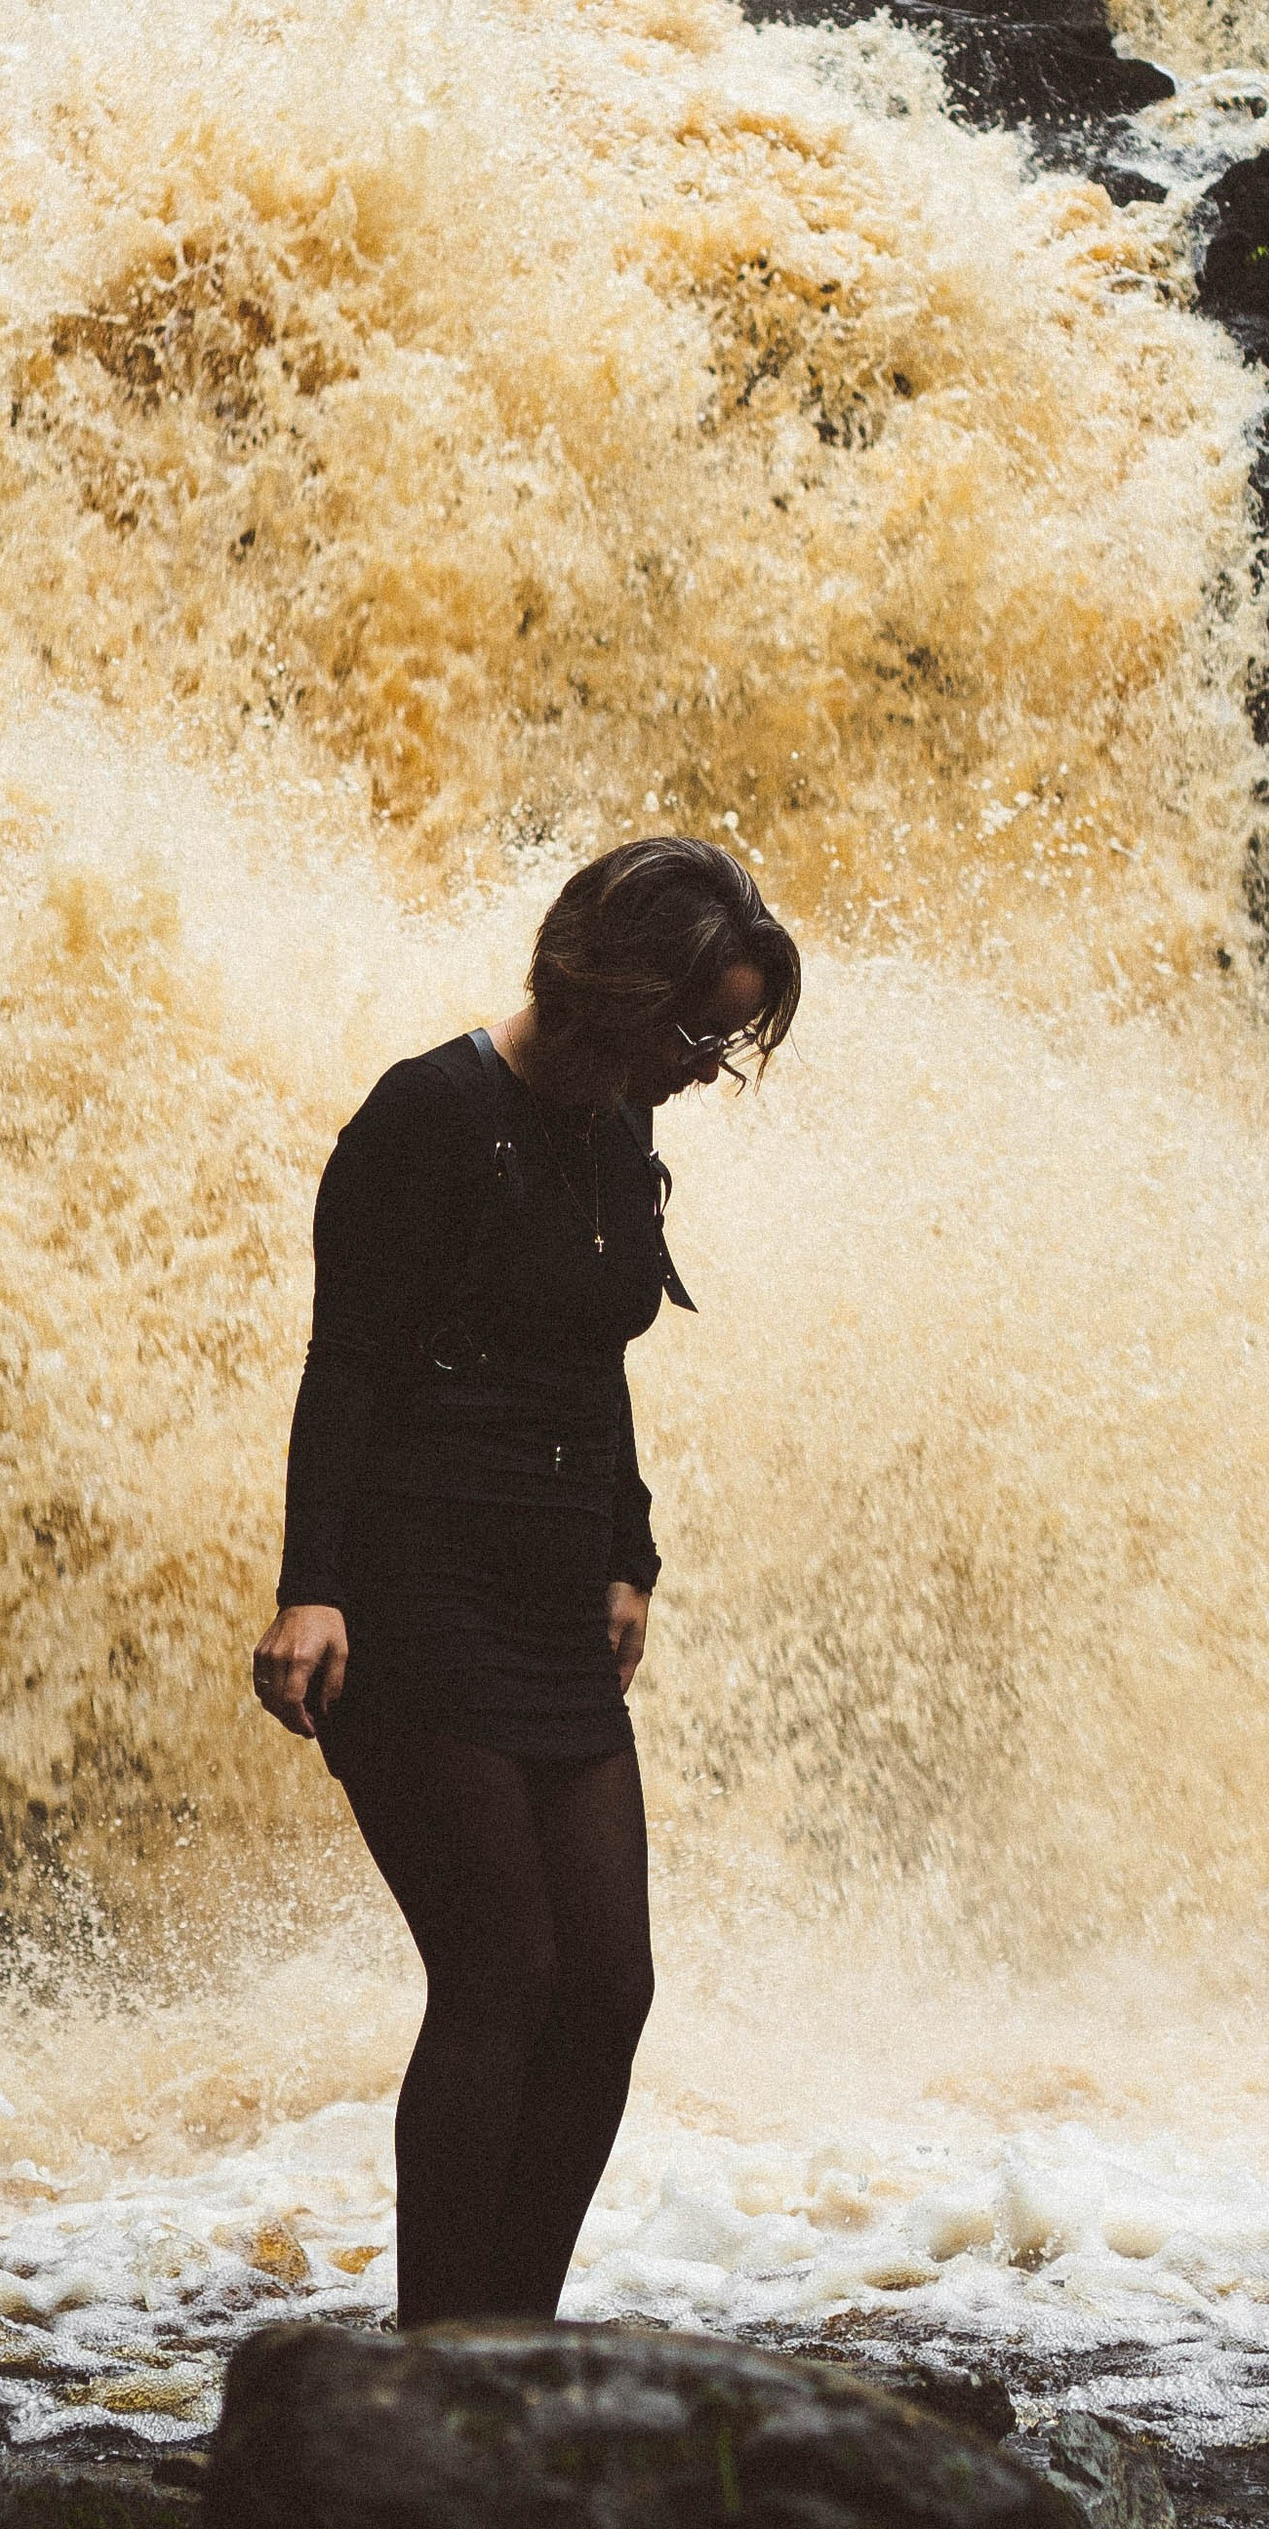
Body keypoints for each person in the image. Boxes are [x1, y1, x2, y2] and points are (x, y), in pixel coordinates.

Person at [252, 837, 801, 2329]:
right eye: (696, 1032)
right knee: (501, 1973)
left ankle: (515, 2338)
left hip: (553, 1607)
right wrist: (311, 1587)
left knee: (606, 1990)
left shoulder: (615, 1126)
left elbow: (591, 1360)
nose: (705, 1068)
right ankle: (445, 2353)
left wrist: (630, 1553)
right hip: (414, 1598)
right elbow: (346, 1363)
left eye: (726, 1039)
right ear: (617, 993)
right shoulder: (426, 1115)